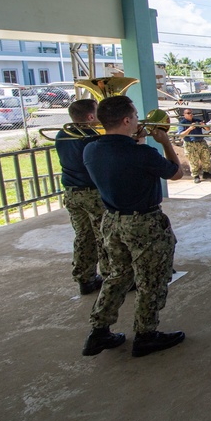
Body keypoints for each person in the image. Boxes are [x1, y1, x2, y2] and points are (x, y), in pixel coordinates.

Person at [81, 95, 185, 358]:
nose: (139, 120)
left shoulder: (91, 149)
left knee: (118, 275)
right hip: (144, 223)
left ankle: (99, 330)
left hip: (112, 220)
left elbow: (122, 162)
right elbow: (176, 172)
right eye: (136, 117)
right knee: (152, 279)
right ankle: (146, 334)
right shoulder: (143, 153)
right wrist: (165, 142)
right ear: (127, 120)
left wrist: (135, 141)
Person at [56, 98, 108, 296]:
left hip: (71, 192)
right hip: (91, 193)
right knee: (103, 235)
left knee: (83, 236)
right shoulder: (90, 136)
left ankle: (84, 278)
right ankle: (111, 276)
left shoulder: (62, 134)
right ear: (90, 116)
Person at [177, 108, 211, 183]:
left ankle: (206, 173)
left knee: (206, 157)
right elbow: (181, 135)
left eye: (191, 113)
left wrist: (203, 125)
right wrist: (190, 128)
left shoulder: (196, 120)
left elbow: (208, 129)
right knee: (193, 160)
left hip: (201, 141)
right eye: (188, 113)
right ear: (184, 114)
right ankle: (196, 176)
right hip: (190, 143)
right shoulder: (182, 123)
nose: (190, 115)